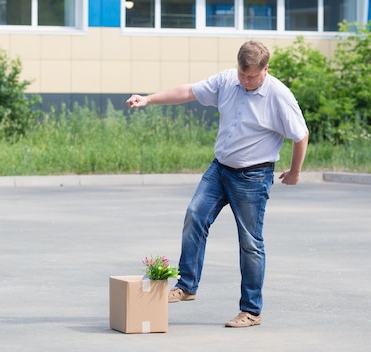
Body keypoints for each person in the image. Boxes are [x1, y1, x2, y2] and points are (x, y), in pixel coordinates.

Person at [126, 40, 309, 328]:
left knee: (250, 242)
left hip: (253, 176)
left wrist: (295, 172)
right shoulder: (227, 81)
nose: (246, 81)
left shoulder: (278, 96)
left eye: (252, 76)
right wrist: (149, 99)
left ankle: (251, 310)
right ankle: (186, 286)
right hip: (219, 169)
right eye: (242, 74)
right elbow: (188, 91)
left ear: (265, 69)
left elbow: (301, 135)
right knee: (195, 216)